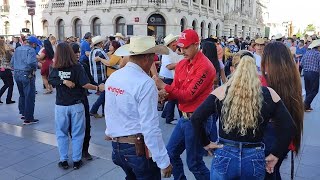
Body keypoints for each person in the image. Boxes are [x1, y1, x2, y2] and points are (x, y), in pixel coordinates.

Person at [191, 53, 295, 180]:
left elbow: (196, 118)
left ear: (234, 69)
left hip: (225, 154)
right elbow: (289, 127)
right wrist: (276, 154)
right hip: (254, 156)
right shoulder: (269, 93)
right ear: (255, 70)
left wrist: (206, 143)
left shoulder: (222, 91)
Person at [104, 36, 172, 179]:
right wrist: (163, 161)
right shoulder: (145, 82)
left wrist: (109, 131)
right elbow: (150, 127)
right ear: (147, 58)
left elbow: (111, 109)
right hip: (137, 148)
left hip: (117, 147)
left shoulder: (114, 77)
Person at [153, 29, 216, 180]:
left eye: (186, 47)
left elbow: (187, 94)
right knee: (171, 153)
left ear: (196, 45)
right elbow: (177, 89)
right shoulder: (181, 64)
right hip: (184, 117)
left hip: (197, 120)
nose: (182, 51)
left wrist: (164, 86)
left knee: (194, 162)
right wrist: (165, 96)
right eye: (180, 47)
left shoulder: (205, 67)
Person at [48, 43, 103, 170]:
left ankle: (63, 160)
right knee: (78, 133)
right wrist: (97, 88)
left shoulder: (55, 67)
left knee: (61, 133)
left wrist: (62, 81)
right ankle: (77, 160)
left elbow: (51, 80)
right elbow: (84, 84)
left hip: (61, 105)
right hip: (76, 105)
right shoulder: (77, 67)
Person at [261, 42, 304, 179]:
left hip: (268, 139)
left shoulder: (265, 84)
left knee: (268, 173)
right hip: (284, 141)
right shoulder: (293, 81)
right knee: (273, 172)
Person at [70, 42, 97, 161]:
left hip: (82, 99)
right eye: (75, 52)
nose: (77, 54)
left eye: (78, 52)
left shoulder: (82, 65)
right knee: (73, 126)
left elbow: (90, 80)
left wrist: (101, 86)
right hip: (70, 101)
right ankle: (77, 149)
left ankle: (85, 150)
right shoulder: (62, 67)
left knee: (86, 125)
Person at [11, 36, 40, 125]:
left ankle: (23, 113)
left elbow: (12, 62)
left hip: (17, 74)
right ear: (33, 44)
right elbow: (31, 62)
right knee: (29, 96)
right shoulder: (31, 50)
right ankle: (29, 118)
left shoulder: (18, 49)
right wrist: (35, 67)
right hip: (27, 74)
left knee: (22, 94)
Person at [91, 40, 121, 118]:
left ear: (114, 47)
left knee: (104, 94)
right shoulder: (109, 54)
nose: (109, 46)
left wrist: (100, 59)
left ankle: (94, 109)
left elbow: (109, 63)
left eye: (111, 45)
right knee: (105, 94)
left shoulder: (117, 55)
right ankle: (102, 111)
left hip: (114, 77)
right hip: (109, 77)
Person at [159, 34, 181, 124]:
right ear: (172, 44)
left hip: (170, 78)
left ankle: (166, 114)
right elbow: (169, 66)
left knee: (171, 98)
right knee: (172, 98)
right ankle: (169, 118)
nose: (177, 43)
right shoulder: (167, 53)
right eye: (176, 41)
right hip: (168, 78)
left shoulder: (171, 52)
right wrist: (181, 63)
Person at [301, 39, 320, 112]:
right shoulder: (318, 54)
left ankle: (307, 106)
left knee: (308, 90)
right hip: (314, 73)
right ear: (318, 47)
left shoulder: (307, 53)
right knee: (314, 90)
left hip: (306, 72)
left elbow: (302, 63)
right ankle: (305, 104)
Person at [0, 39, 15, 104]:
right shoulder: (6, 52)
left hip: (1, 70)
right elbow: (11, 59)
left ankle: (7, 99)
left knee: (6, 84)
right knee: (10, 84)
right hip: (6, 69)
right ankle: (8, 99)